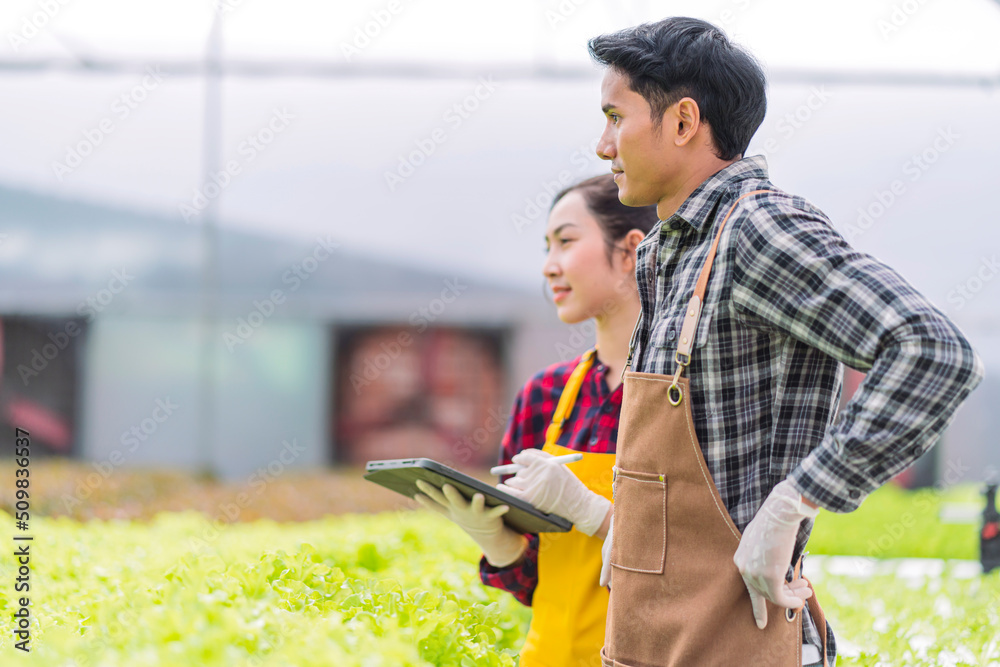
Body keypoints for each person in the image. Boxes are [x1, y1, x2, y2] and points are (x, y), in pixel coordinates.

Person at [588, 17, 985, 667]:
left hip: (736, 641)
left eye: (614, 117)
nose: (603, 145)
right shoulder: (666, 253)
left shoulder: (759, 229)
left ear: (683, 121)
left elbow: (933, 351)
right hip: (649, 640)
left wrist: (798, 497)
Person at [413, 174, 658, 666]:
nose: (549, 267)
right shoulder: (545, 396)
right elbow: (535, 584)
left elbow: (703, 566)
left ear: (631, 251)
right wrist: (499, 543)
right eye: (546, 247)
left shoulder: (682, 396)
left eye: (566, 241)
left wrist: (591, 512)